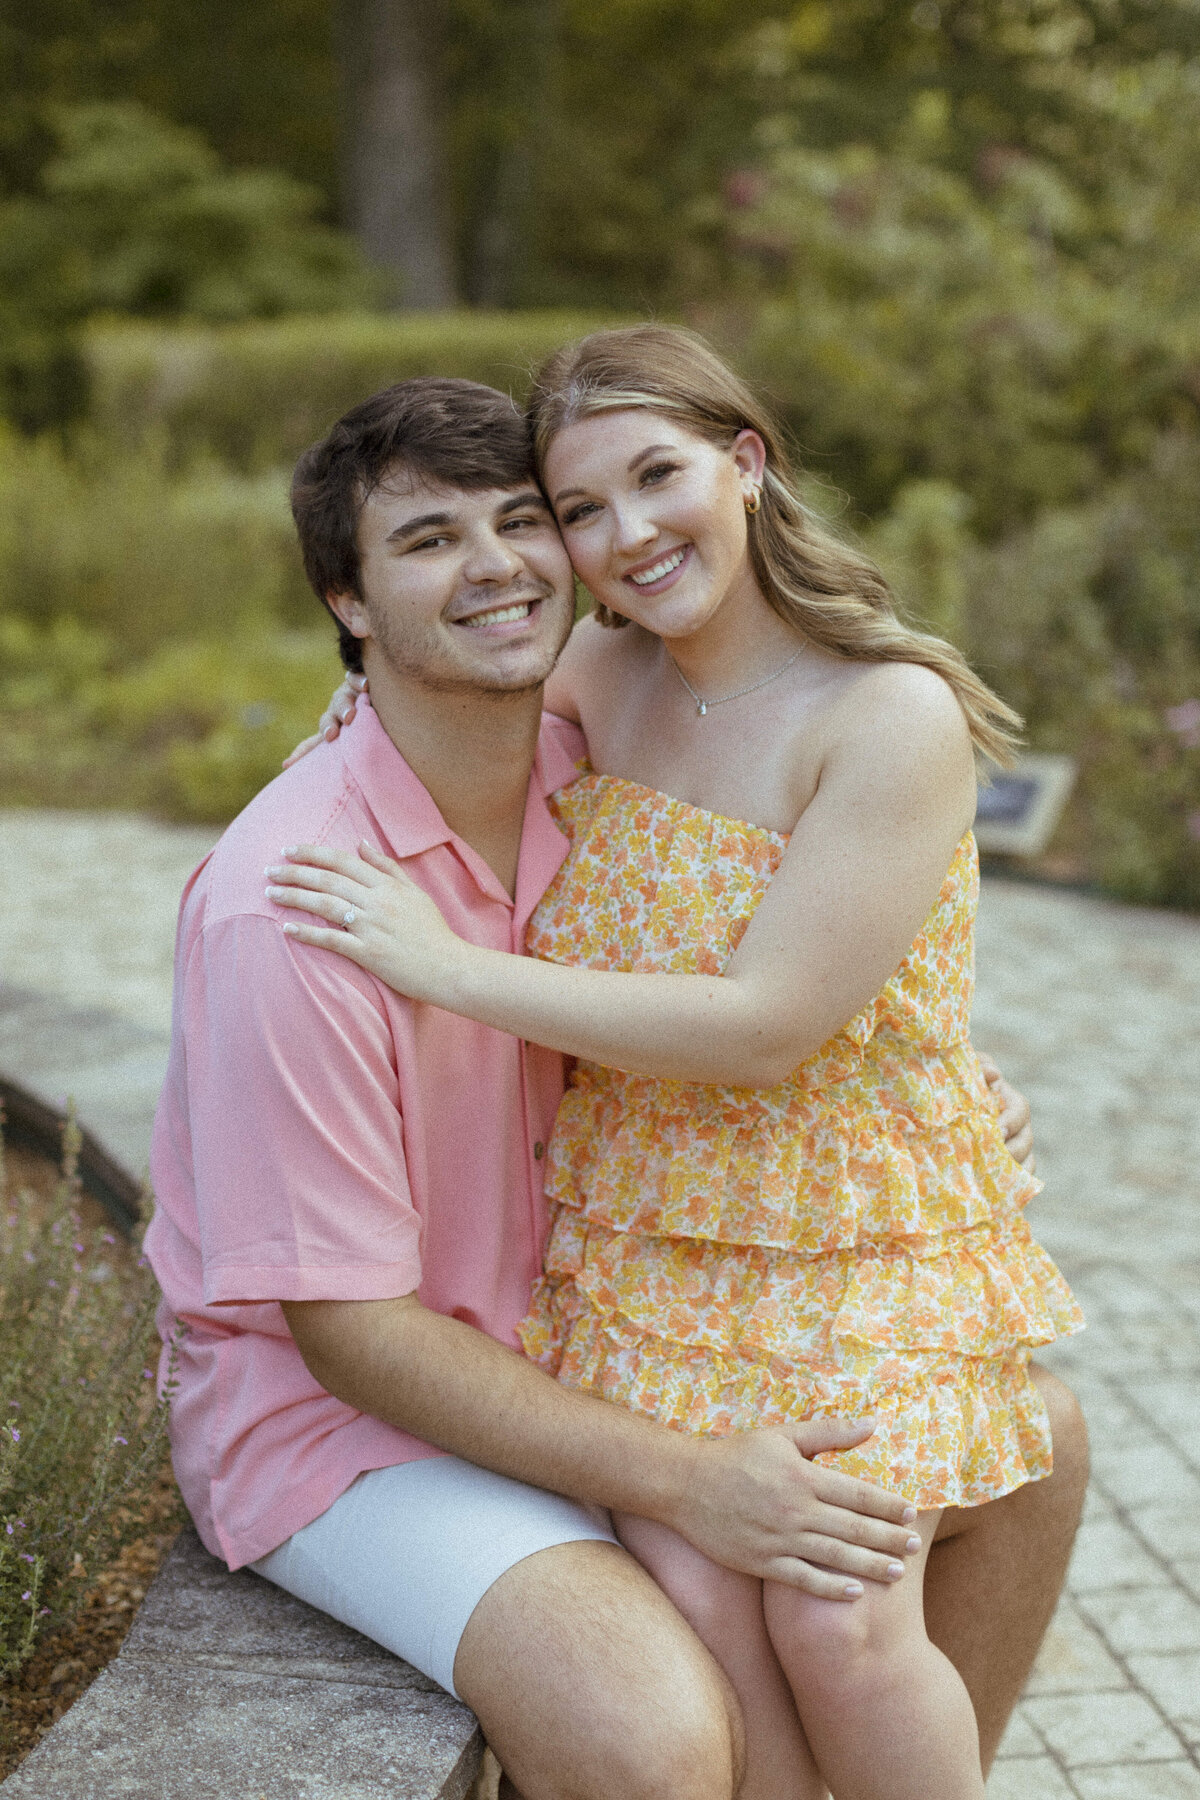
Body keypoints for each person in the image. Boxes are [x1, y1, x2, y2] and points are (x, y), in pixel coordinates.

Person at [268, 330, 1084, 1800]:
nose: (628, 534)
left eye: (660, 478)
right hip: (651, 1245)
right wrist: (354, 706)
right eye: (583, 508)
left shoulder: (886, 712)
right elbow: (428, 702)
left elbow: (774, 1021)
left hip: (851, 1245)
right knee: (706, 1603)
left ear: (747, 466)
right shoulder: (599, 675)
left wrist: (446, 969)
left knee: (838, 1613)